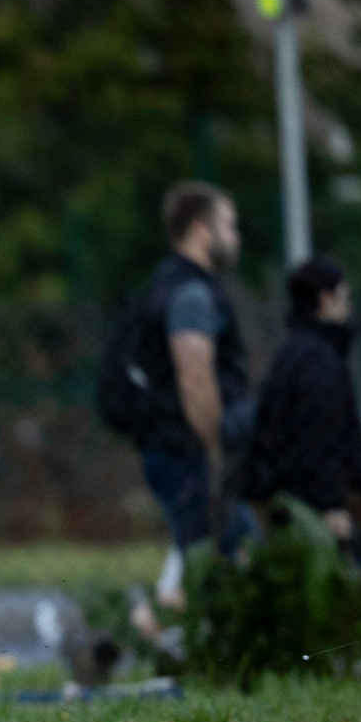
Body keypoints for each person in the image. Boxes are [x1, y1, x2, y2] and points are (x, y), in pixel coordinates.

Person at [108, 182, 252, 612]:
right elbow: (194, 373)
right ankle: (129, 637)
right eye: (229, 225)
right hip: (187, 449)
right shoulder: (191, 292)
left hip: (171, 446)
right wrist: (215, 447)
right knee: (230, 553)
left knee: (203, 553)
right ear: (201, 230)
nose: (235, 236)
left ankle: (134, 636)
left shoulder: (168, 283)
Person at [238, 256, 361, 562]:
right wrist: (328, 507)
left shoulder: (292, 355)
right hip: (311, 509)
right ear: (325, 299)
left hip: (287, 501)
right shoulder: (319, 363)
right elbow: (320, 440)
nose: (348, 307)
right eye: (344, 296)